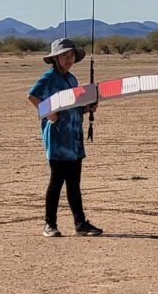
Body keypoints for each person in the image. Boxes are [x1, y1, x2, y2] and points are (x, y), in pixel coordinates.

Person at [27, 38, 103, 237]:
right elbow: (32, 96)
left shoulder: (72, 79)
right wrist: (47, 112)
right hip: (58, 140)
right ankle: (49, 224)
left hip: (74, 139)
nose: (69, 59)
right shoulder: (49, 77)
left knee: (74, 184)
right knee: (56, 183)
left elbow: (74, 106)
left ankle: (80, 223)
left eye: (71, 56)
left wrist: (87, 108)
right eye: (65, 56)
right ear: (55, 58)